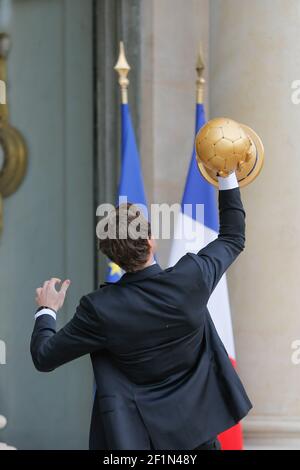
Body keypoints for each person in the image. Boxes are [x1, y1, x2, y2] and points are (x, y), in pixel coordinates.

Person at [31, 173, 252, 450]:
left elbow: (44, 357)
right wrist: (227, 175)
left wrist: (46, 309)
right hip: (199, 438)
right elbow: (233, 237)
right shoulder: (191, 278)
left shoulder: (100, 308)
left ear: (113, 256)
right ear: (150, 241)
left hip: (142, 442)